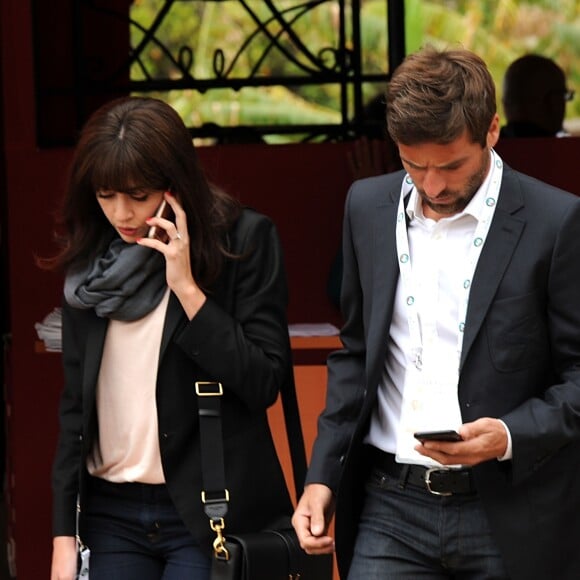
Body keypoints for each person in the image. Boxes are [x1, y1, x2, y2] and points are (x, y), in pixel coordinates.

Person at [292, 46, 580, 580]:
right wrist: (321, 477)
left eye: (450, 165)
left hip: (510, 511)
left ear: (492, 130)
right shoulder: (366, 206)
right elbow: (356, 355)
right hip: (389, 506)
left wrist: (512, 435)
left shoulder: (556, 221)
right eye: (412, 164)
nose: (433, 185)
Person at [45, 96, 293, 580]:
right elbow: (75, 408)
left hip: (207, 513)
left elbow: (263, 381)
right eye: (105, 194)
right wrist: (62, 537)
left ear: (175, 182)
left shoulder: (241, 241)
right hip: (109, 512)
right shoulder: (92, 264)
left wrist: (186, 287)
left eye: (138, 195)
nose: (123, 213)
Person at [500, 53, 574, 138]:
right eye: (563, 96)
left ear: (505, 103)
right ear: (552, 101)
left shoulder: (486, 148)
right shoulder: (567, 150)